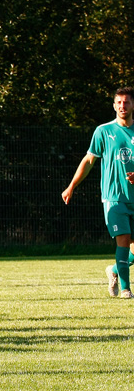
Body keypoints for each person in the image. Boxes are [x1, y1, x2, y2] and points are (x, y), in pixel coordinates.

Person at [62, 86, 134, 298]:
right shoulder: (104, 131)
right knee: (123, 239)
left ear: (133, 105)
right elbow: (89, 161)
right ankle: (126, 289)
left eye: (127, 102)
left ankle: (113, 270)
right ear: (114, 105)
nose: (123, 106)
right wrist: (71, 186)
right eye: (119, 102)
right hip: (114, 198)